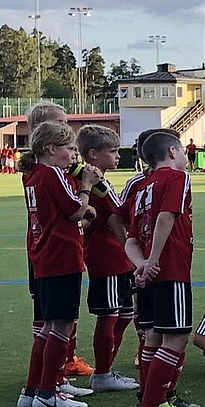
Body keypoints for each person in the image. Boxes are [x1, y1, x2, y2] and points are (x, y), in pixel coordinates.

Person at [15, 121, 102, 407]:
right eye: (69, 148)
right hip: (62, 257)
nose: (74, 155)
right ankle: (47, 393)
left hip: (43, 256)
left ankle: (32, 390)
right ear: (51, 148)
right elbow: (75, 210)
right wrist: (86, 186)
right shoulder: (51, 173)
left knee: (47, 327)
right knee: (62, 325)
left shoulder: (33, 174)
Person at [124, 131, 200, 407]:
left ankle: (157, 402)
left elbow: (131, 239)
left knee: (152, 337)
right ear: (171, 152)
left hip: (149, 273)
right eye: (182, 150)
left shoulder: (143, 187)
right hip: (170, 269)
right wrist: (154, 260)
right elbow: (166, 217)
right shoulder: (177, 178)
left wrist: (142, 265)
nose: (185, 156)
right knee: (175, 337)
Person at [75, 125, 139, 393]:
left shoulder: (98, 179)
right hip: (106, 256)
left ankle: (106, 369)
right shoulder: (94, 182)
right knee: (110, 315)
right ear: (93, 154)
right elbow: (117, 213)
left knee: (124, 314)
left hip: (117, 256)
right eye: (112, 151)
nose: (117, 156)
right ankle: (102, 373)